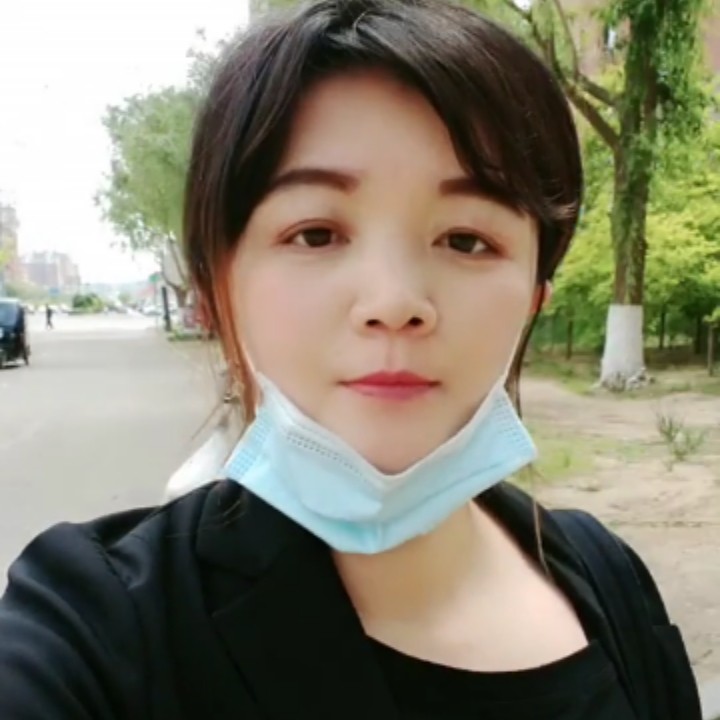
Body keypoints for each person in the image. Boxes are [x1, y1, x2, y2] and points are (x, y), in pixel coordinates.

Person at [0, 1, 702, 718]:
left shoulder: (610, 580)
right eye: (315, 233)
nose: (394, 302)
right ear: (216, 288)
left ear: (534, 297)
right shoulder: (97, 626)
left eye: (466, 240)